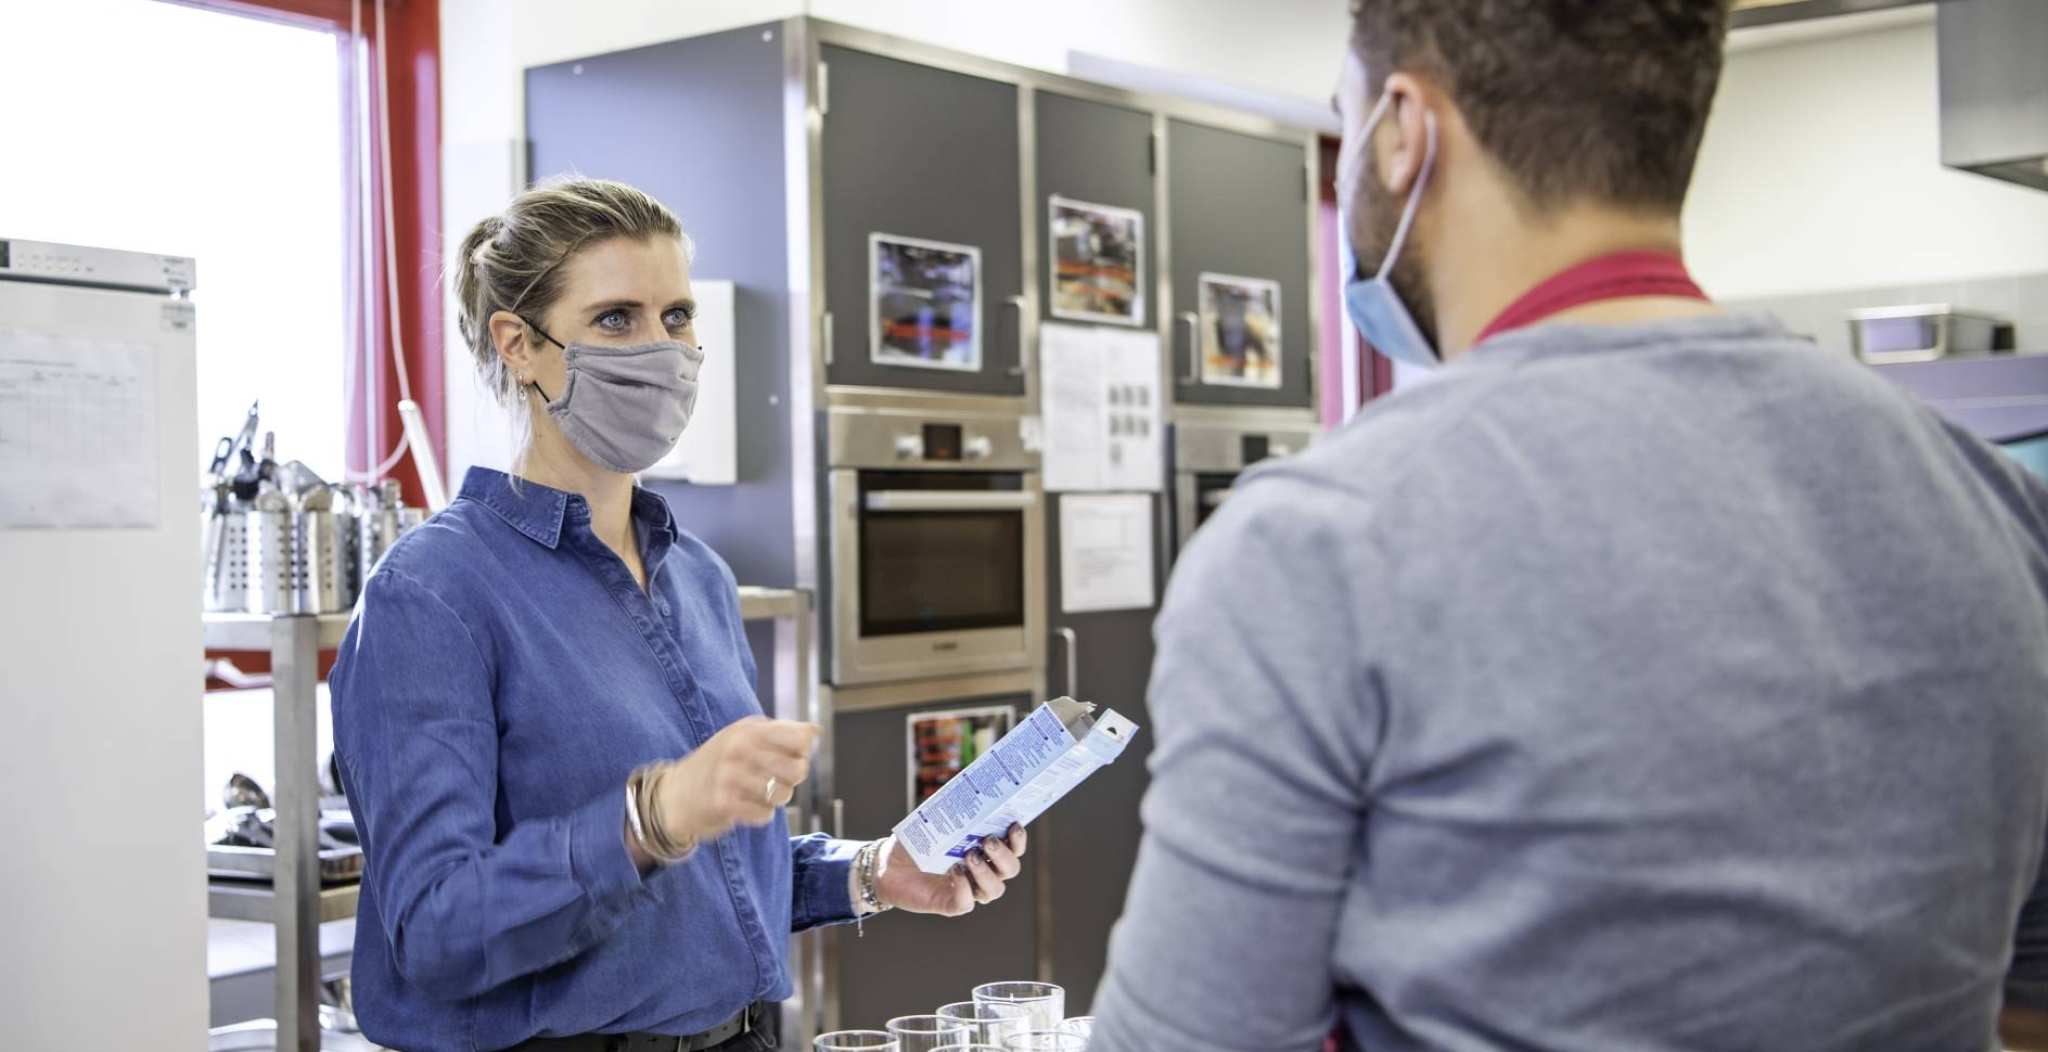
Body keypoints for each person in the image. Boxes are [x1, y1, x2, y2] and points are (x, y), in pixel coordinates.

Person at [1091, 2, 2048, 1050]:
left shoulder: (1324, 542)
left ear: (1403, 131)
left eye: (1347, 119)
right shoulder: (1991, 502)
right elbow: (2026, 992)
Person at [330, 178, 1027, 1052]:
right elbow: (434, 934)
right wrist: (646, 817)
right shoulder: (432, 595)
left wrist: (873, 872)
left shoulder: (697, 576)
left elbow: (713, 877)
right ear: (520, 345)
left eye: (678, 317)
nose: (661, 349)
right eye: (617, 319)